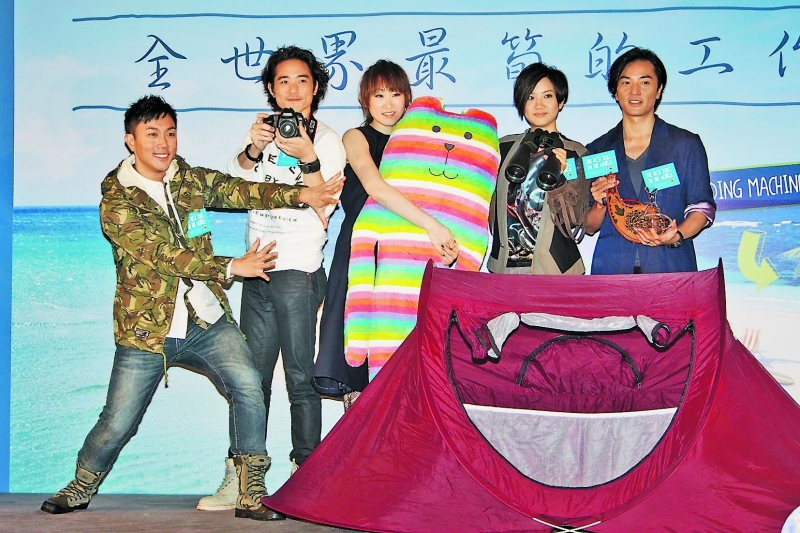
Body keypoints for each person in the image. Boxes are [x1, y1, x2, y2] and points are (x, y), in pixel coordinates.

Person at [39, 95, 342, 521]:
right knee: (118, 421)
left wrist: (301, 195)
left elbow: (239, 190)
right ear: (130, 141)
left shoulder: (187, 179)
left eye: (170, 133)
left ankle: (250, 489)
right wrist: (232, 266)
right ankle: (82, 484)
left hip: (206, 319)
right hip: (148, 329)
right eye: (151, 135)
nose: (163, 143)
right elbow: (161, 255)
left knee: (248, 386)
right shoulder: (117, 198)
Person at [198, 46, 346, 511]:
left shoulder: (328, 141)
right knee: (251, 381)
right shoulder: (263, 133)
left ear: (315, 87)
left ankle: (307, 479)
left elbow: (325, 205)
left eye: (302, 80)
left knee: (300, 379)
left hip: (298, 270)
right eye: (284, 81)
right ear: (271, 88)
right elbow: (233, 182)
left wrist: (306, 156)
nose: (293, 89)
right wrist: (252, 148)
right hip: (256, 270)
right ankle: (242, 477)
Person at [312, 60, 458, 411]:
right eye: (379, 95)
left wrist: (446, 241)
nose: (388, 103)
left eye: (395, 94)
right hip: (365, 253)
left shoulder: (424, 141)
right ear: (365, 100)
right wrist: (433, 226)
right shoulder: (355, 137)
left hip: (408, 258)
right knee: (359, 363)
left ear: (408, 98)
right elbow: (375, 187)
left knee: (408, 362)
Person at [585, 47, 716, 274]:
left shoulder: (685, 144)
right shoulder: (597, 150)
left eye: (645, 82)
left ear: (659, 90)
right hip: (613, 271)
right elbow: (588, 226)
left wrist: (677, 235)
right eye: (626, 82)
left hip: (669, 267)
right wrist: (600, 204)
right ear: (615, 92)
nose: (635, 91)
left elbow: (702, 208)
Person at [488, 62, 588, 275]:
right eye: (530, 97)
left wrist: (561, 183)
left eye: (547, 96)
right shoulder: (502, 147)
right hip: (505, 268)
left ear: (561, 101)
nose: (539, 105)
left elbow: (576, 220)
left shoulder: (576, 153)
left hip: (555, 270)